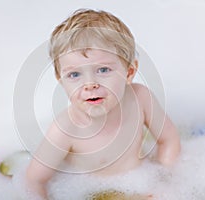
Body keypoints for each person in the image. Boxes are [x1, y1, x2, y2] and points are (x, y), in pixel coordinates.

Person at [25, 9, 181, 199]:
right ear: (60, 80)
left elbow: (169, 140)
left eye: (103, 70)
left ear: (129, 72)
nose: (90, 84)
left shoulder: (141, 98)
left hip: (140, 183)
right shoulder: (66, 128)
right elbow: (34, 180)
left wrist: (164, 180)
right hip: (87, 191)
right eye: (74, 74)